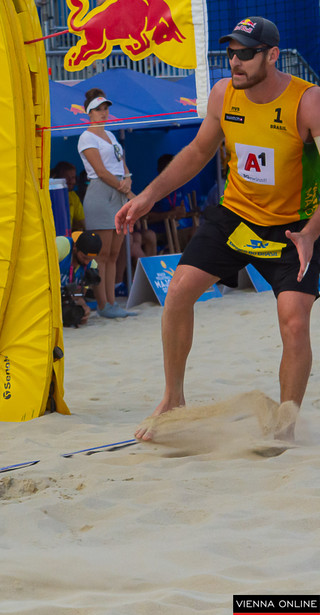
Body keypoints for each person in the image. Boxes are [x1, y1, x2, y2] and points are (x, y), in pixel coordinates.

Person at [115, 16, 320, 440]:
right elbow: (196, 152)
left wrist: (311, 233)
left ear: (272, 55)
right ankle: (173, 398)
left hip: (295, 227)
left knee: (294, 321)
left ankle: (285, 427)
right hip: (237, 215)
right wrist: (147, 196)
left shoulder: (307, 101)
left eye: (246, 53)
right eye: (231, 52)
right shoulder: (224, 93)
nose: (235, 61)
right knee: (178, 292)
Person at [77, 89, 135, 319]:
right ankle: (103, 305)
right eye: (98, 109)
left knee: (113, 253)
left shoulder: (110, 135)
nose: (103, 113)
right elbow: (100, 171)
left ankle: (112, 303)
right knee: (100, 254)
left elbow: (122, 164)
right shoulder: (86, 137)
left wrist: (128, 179)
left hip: (118, 190)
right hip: (102, 192)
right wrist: (124, 188)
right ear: (89, 113)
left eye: (105, 109)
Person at [61, 231, 102, 327]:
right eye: (84, 257)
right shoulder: (63, 246)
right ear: (75, 247)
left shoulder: (92, 266)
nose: (87, 262)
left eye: (90, 259)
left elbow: (78, 295)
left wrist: (83, 307)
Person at [51, 161, 84, 232]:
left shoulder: (73, 196)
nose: (71, 181)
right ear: (57, 177)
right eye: (66, 177)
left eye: (73, 177)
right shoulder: (50, 195)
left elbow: (82, 222)